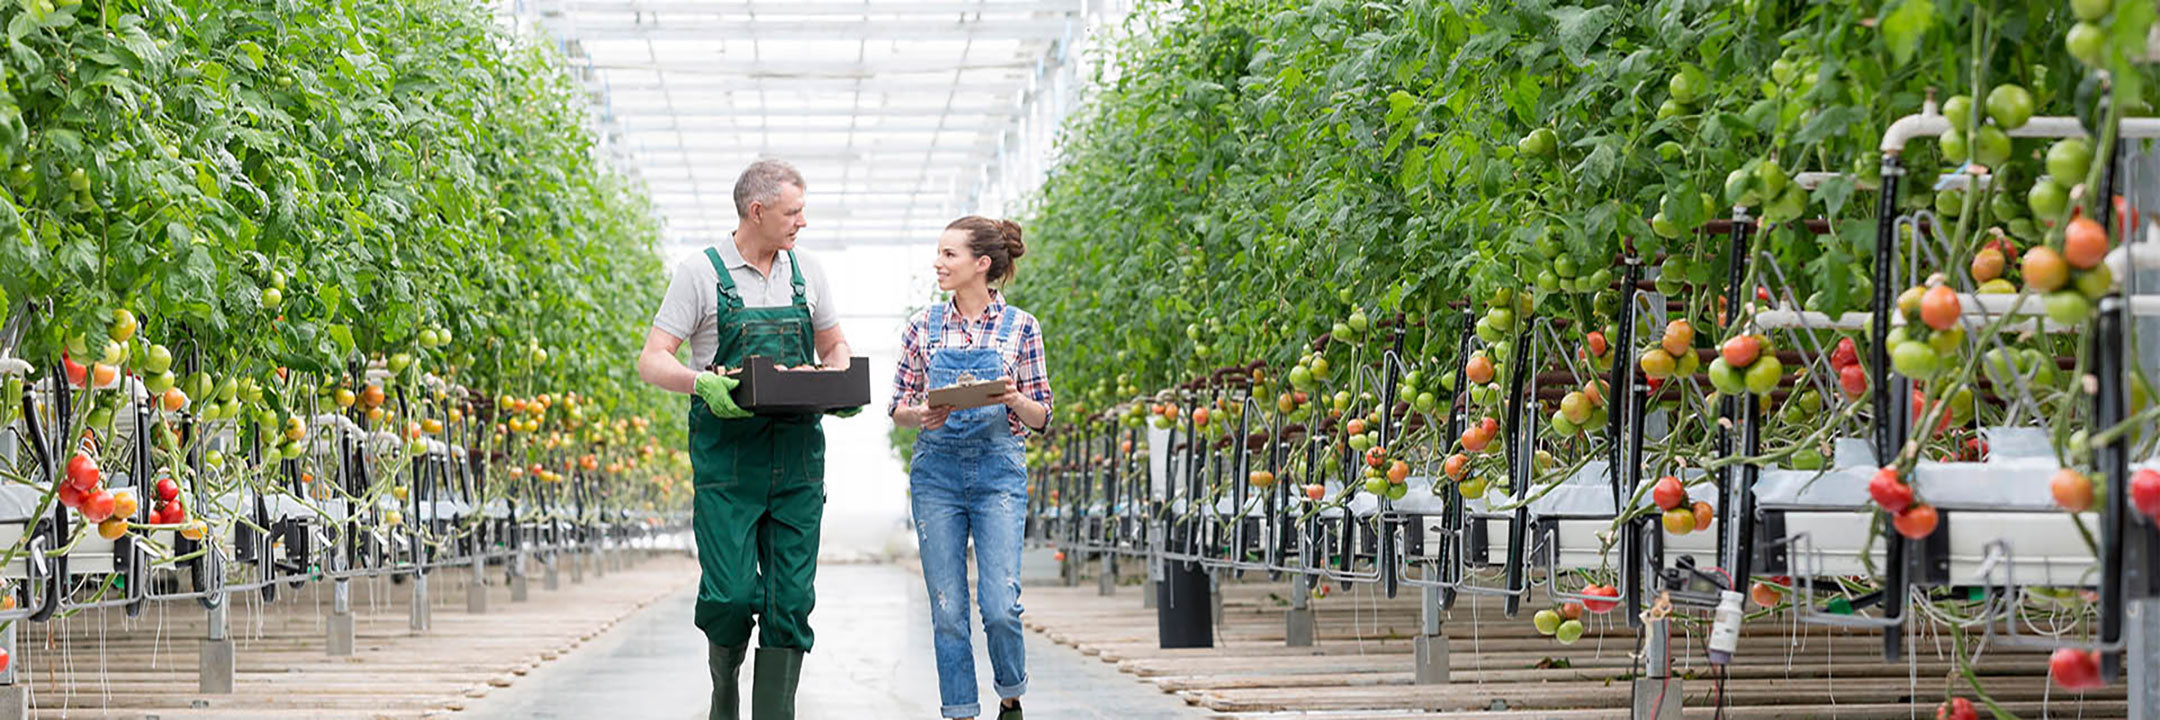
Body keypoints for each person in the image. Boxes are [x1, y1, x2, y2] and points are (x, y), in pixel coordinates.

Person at [637, 158, 859, 720]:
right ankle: (724, 690)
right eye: (793, 212)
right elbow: (652, 360)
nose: (803, 222)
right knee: (731, 597)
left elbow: (834, 344)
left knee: (792, 601)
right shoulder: (701, 273)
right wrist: (701, 383)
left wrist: (837, 377)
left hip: (797, 463)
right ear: (756, 211)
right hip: (729, 466)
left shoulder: (807, 272)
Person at [890, 216, 1053, 720]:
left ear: (981, 264)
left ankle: (1011, 695)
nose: (938, 264)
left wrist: (1014, 398)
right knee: (947, 608)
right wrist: (922, 414)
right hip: (936, 475)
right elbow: (898, 406)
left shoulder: (1021, 327)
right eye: (938, 254)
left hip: (997, 474)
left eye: (949, 254)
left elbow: (1042, 415)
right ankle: (960, 710)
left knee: (1000, 604)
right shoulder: (922, 326)